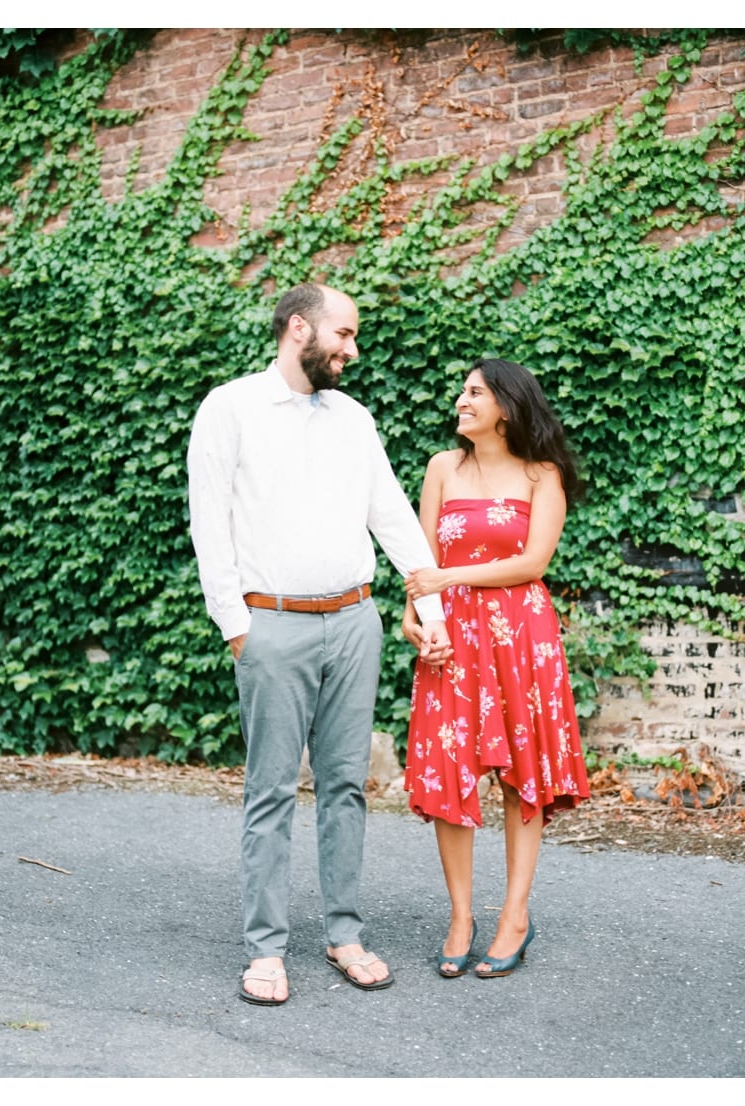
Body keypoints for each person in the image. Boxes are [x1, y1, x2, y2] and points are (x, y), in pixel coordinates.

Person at [187, 282, 452, 1006]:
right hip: (271, 626)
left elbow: (393, 518)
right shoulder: (229, 407)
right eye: (344, 334)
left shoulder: (353, 419)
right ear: (298, 326)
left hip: (354, 623)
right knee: (269, 791)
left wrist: (431, 612)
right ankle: (266, 950)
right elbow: (209, 526)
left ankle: (343, 934)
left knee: (345, 788)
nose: (352, 349)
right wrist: (237, 629)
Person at [401, 357, 591, 980]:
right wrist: (415, 621)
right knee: (451, 773)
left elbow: (532, 562)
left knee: (521, 772)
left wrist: (447, 578)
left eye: (474, 392)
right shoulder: (441, 468)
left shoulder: (543, 475)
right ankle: (461, 916)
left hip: (521, 638)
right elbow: (418, 563)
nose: (461, 400)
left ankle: (515, 914)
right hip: (449, 638)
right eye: (462, 390)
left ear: (506, 407)